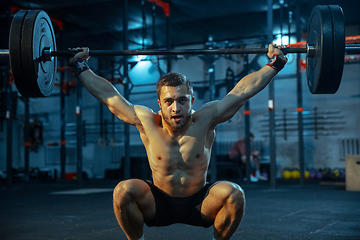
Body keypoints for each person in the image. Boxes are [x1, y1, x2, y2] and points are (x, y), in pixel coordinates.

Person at [68, 44, 287, 240]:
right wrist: (80, 66)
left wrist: (274, 64)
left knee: (235, 193)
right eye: (169, 101)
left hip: (200, 203)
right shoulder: (147, 122)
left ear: (191, 100)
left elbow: (241, 92)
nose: (176, 108)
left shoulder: (207, 118)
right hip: (158, 203)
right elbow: (109, 96)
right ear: (160, 104)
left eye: (182, 100)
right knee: (122, 191)